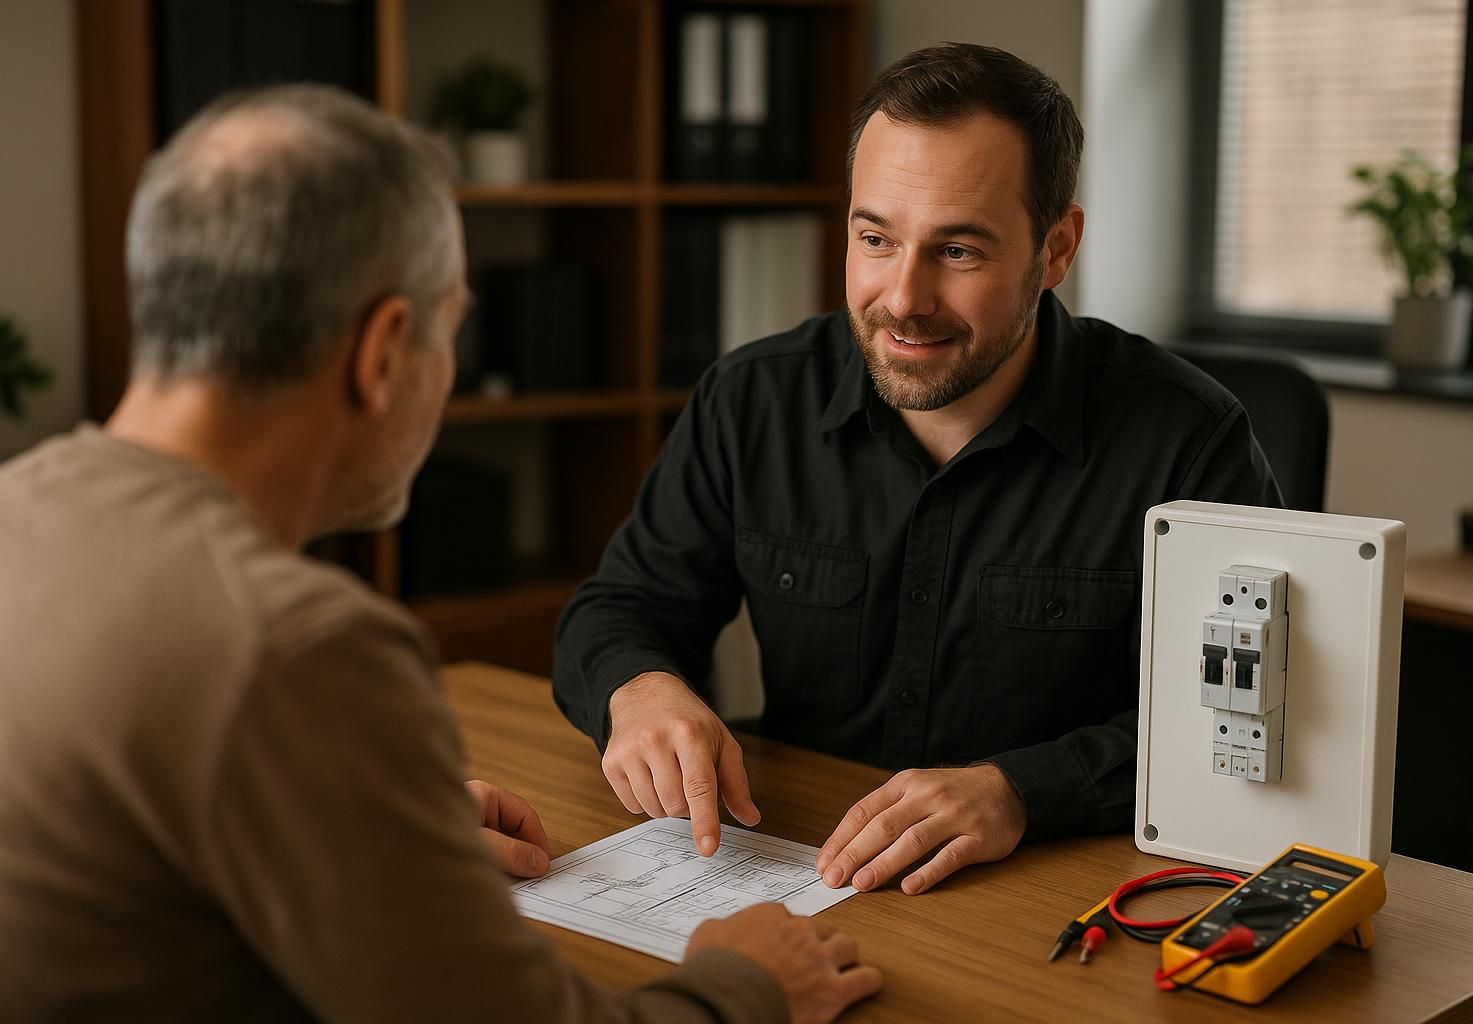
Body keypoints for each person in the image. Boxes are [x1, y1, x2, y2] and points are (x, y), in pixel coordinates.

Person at [0, 85, 879, 1024]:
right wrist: (742, 983)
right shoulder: (300, 646)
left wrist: (354, 821)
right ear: (382, 352)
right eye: (449, 330)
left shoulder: (23, 505)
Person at [553, 44, 1282, 896]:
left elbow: (1238, 727)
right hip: (798, 871)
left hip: (1061, 892)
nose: (903, 297)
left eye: (959, 251)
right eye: (875, 238)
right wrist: (638, 691)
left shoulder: (1189, 440)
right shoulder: (752, 399)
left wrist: (1021, 792)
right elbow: (621, 604)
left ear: (1055, 249)